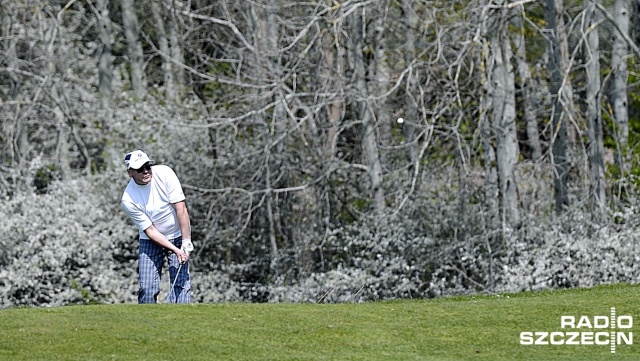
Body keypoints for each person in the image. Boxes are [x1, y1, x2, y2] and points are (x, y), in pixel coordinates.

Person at [121, 149, 194, 303]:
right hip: (150, 241)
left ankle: (182, 321)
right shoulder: (128, 199)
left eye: (148, 166)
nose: (146, 171)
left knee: (181, 285)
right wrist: (174, 250)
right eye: (140, 169)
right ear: (130, 173)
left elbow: (180, 208)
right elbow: (150, 231)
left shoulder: (165, 173)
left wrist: (186, 240)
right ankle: (147, 323)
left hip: (177, 235)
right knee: (147, 288)